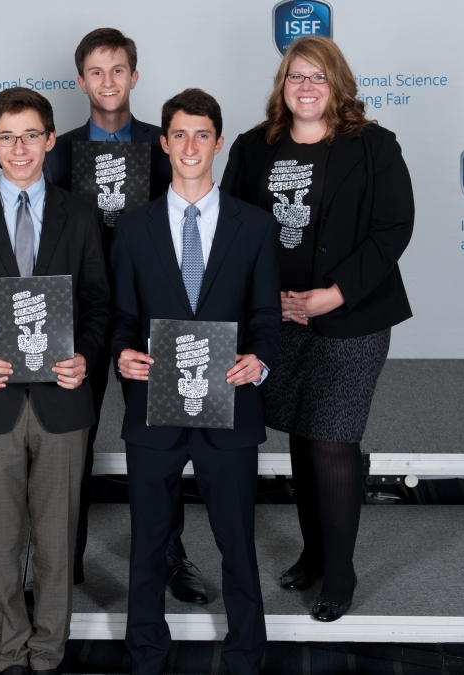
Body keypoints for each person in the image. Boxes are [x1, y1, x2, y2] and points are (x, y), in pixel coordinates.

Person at [219, 36, 414, 622]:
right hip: (278, 318)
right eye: (295, 76)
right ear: (282, 85)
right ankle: (313, 551)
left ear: (338, 85)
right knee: (302, 437)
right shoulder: (256, 147)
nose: (305, 87)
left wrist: (334, 294)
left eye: (318, 77)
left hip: (352, 319)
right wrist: (263, 298)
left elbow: (393, 228)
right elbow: (231, 223)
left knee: (332, 439)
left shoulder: (374, 145)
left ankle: (341, 569)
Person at [0, 87, 109, 675]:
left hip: (62, 396)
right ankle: (9, 648)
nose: (19, 147)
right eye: (7, 136)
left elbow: (98, 304)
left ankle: (49, 651)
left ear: (50, 140)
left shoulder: (80, 212)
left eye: (31, 135)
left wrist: (85, 355)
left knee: (57, 541)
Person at [111, 89, 280, 675]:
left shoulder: (254, 227)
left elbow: (265, 316)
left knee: (237, 542)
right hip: (153, 409)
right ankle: (147, 654)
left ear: (219, 143)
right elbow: (122, 319)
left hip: (229, 406)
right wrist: (122, 355)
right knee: (148, 543)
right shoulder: (132, 229)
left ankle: (245, 656)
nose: (190, 146)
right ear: (163, 143)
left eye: (201, 135)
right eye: (179, 135)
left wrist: (258, 360)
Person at [42, 27, 204, 603]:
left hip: (148, 317)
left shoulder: (168, 144)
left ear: (134, 77)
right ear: (81, 80)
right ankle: (66, 560)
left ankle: (169, 555)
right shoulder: (55, 152)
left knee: (161, 443)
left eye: (118, 71)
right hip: (77, 315)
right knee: (71, 444)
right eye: (96, 72)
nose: (107, 82)